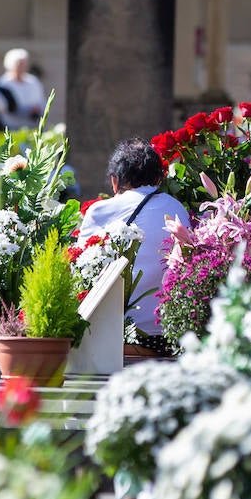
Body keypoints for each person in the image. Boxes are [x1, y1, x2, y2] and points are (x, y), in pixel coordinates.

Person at [76, 138, 191, 352]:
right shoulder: (177, 209)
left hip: (113, 339)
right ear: (158, 178)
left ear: (115, 181)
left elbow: (78, 272)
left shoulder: (100, 211)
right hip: (168, 337)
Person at [0, 48, 46, 131]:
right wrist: (27, 110)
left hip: (32, 128)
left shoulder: (33, 82)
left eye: (24, 64)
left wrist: (38, 109)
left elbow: (42, 102)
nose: (22, 67)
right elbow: (5, 107)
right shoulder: (2, 84)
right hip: (10, 128)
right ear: (10, 65)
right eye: (19, 64)